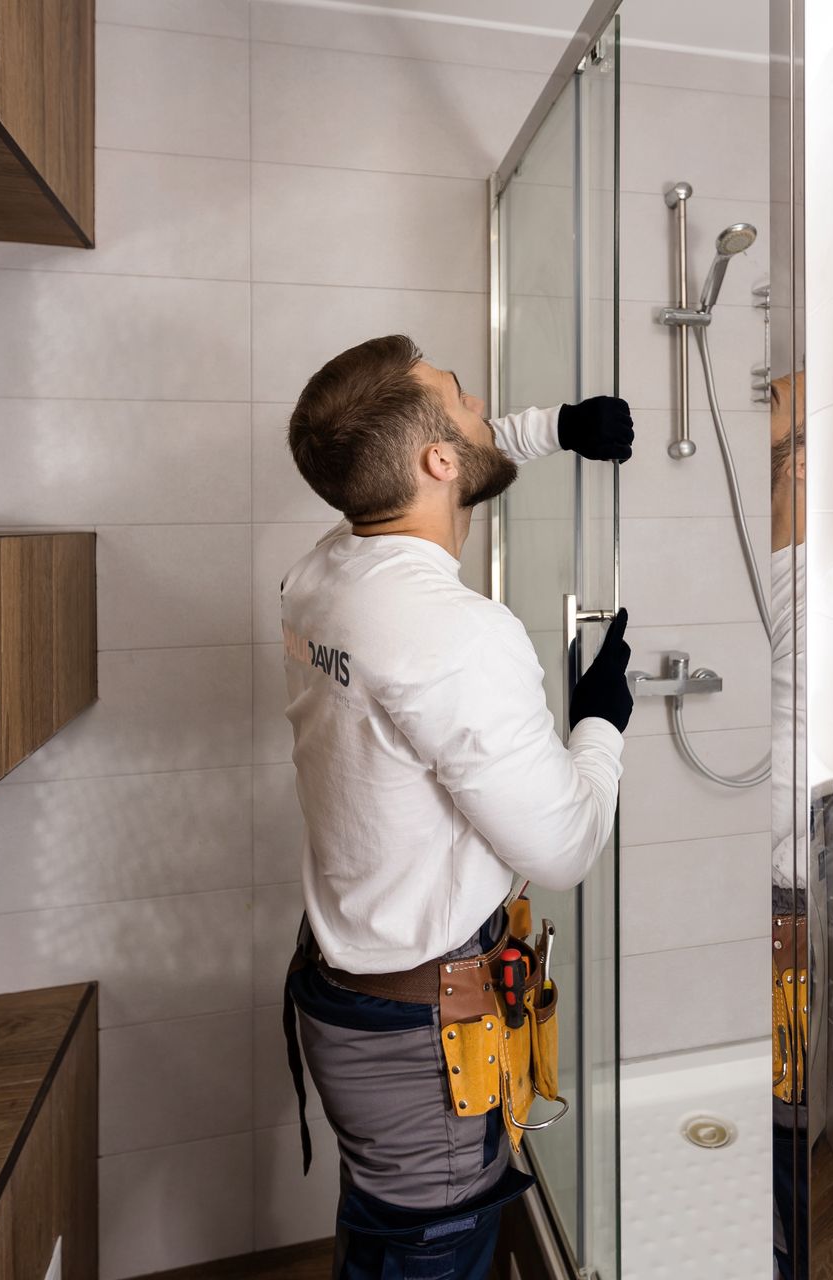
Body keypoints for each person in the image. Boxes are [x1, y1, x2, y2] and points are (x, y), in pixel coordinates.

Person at [275, 334, 636, 1278]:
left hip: (350, 994)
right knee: (429, 1260)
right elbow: (562, 849)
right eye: (465, 399)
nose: (484, 409)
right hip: (415, 1042)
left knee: (388, 1243)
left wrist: (554, 429)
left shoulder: (321, 573)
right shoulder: (459, 635)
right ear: (438, 460)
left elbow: (433, 460)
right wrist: (600, 725)